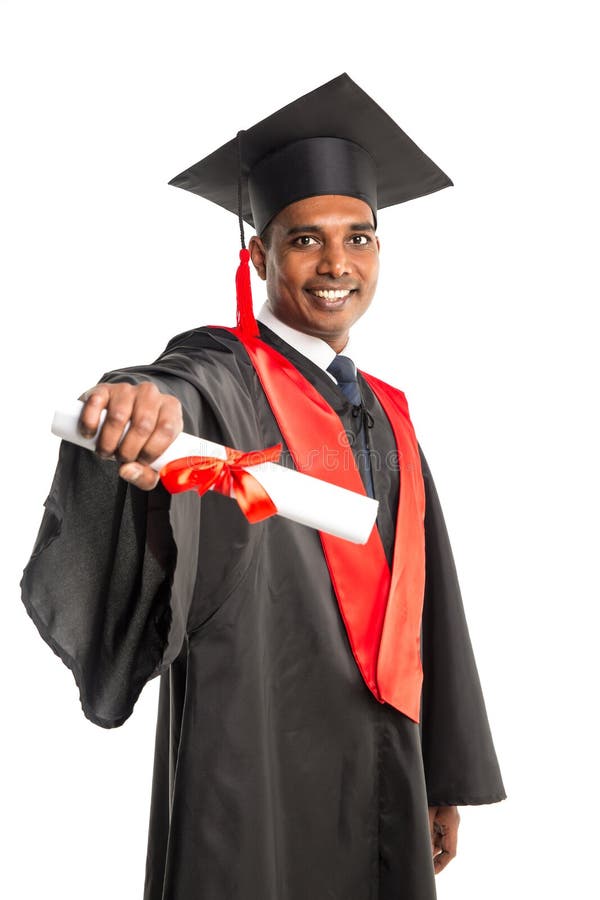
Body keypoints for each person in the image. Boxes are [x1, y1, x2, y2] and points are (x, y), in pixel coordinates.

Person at [22, 74, 506, 900]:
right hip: (257, 747)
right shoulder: (228, 377)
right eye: (305, 239)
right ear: (258, 254)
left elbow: (430, 601)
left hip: (388, 754)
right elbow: (173, 387)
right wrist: (138, 401)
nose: (336, 265)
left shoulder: (389, 415)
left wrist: (444, 772)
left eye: (359, 238)